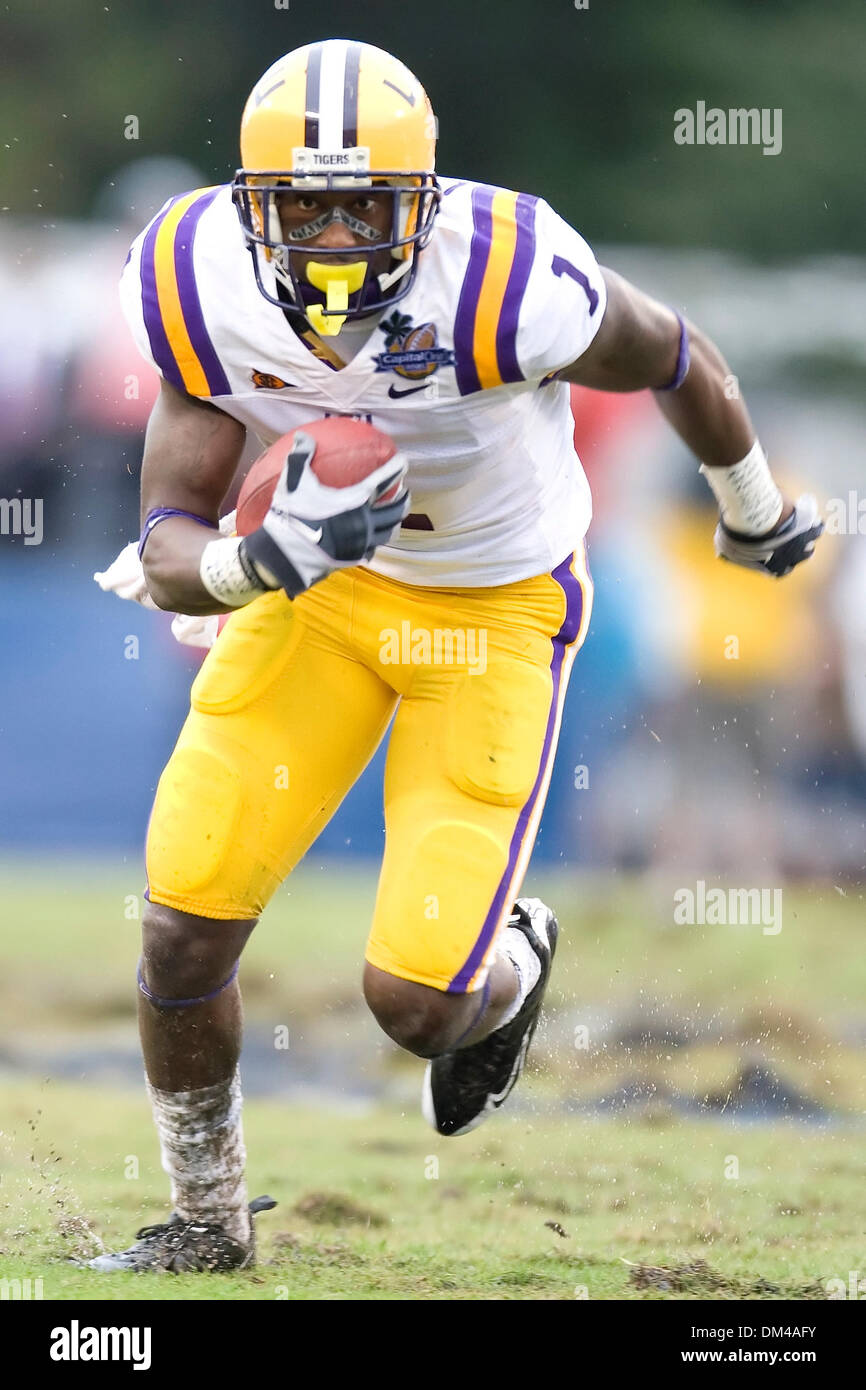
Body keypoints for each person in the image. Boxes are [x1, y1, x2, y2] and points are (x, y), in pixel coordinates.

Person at [90, 39, 823, 1273]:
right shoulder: (192, 275)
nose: (330, 240)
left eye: (361, 207)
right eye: (301, 208)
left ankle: (514, 956)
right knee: (180, 923)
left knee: (419, 1005)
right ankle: (204, 1223)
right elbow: (167, 532)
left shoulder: (507, 278)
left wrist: (750, 503)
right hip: (314, 601)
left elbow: (671, 352)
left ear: (420, 200)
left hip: (488, 612)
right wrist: (256, 563)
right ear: (247, 204)